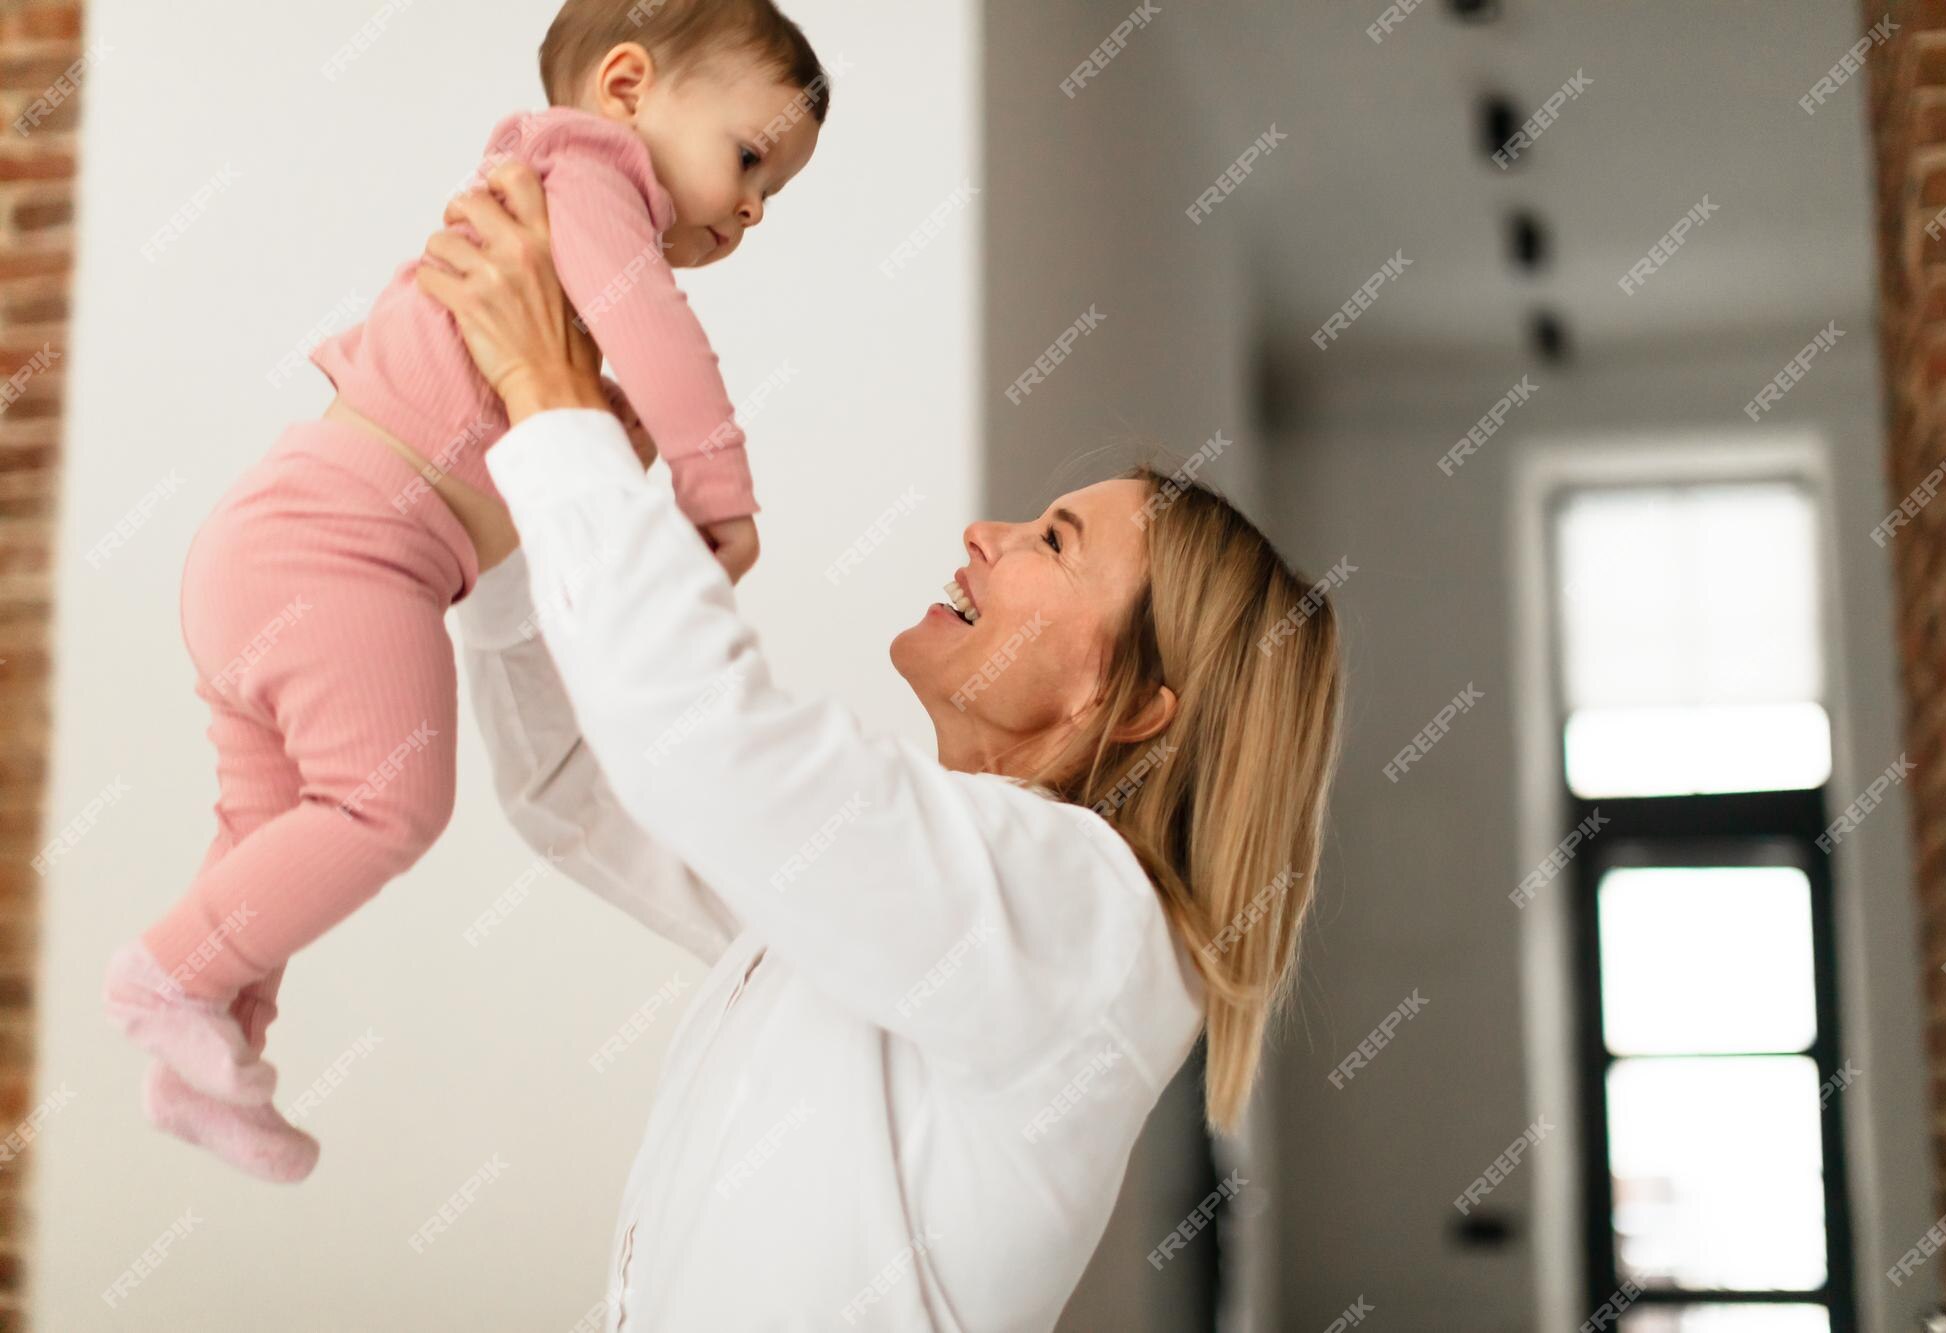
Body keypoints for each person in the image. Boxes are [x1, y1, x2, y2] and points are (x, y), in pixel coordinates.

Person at [455, 165, 1344, 1328]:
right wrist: (506, 515)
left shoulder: (1083, 920)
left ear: (1131, 705)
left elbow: (701, 745)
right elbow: (574, 788)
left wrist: (556, 404)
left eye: (1051, 542)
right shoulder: (928, 902)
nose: (984, 534)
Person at [102, 0, 828, 1183]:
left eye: (771, 197)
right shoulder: (584, 170)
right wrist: (714, 482)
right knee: (389, 805)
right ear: (628, 86)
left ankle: (210, 1054)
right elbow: (655, 326)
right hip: (337, 548)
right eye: (749, 158)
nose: (749, 209)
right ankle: (165, 979)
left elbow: (522, 541)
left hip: (285, 546)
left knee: (271, 838)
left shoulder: (548, 229)